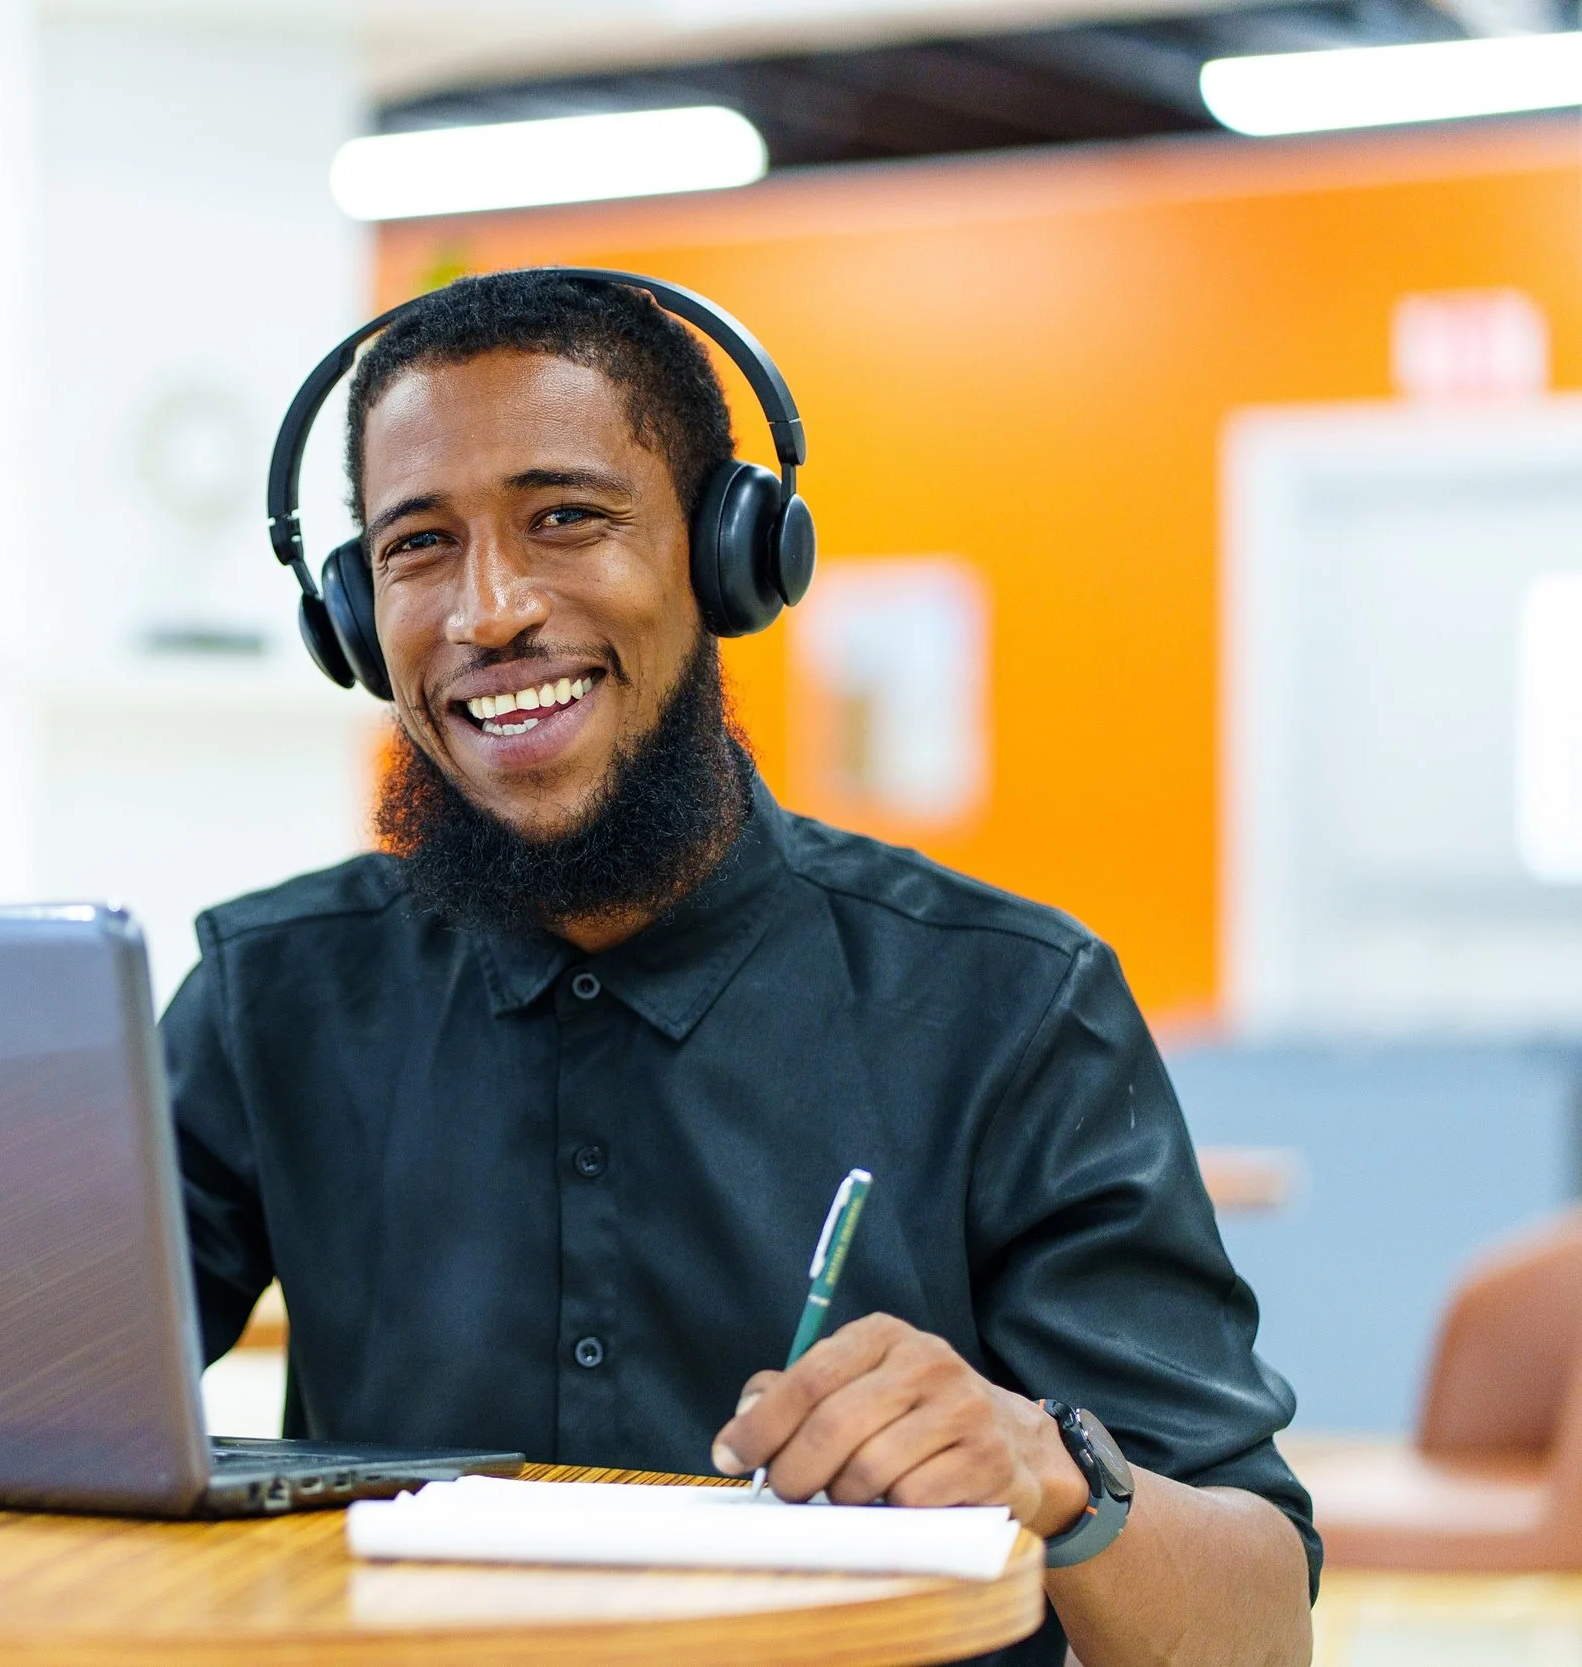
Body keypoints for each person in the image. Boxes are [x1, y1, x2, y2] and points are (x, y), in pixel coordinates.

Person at [162, 268, 1314, 1666]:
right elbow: (15, 1403)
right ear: (353, 616)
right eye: (417, 546)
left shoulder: (1010, 1003)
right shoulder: (268, 993)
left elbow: (1258, 1632)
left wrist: (1054, 1473)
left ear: (729, 558)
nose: (490, 609)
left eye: (566, 518)